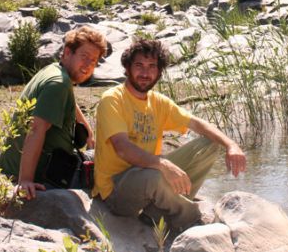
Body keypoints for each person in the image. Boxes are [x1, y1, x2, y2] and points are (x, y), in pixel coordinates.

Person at [93, 39, 247, 229]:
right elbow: (123, 148)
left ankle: (159, 212)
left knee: (209, 144)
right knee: (154, 176)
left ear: (159, 72)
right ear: (127, 68)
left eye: (152, 67)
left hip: (148, 173)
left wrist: (231, 145)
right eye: (139, 65)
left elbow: (197, 124)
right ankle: (191, 217)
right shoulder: (112, 99)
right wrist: (163, 164)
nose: (145, 73)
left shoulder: (158, 102)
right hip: (117, 190)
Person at [0, 26, 107, 199]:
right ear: (67, 53)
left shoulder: (55, 72)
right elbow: (36, 129)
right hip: (48, 175)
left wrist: (89, 132)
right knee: (114, 160)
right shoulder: (58, 84)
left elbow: (69, 99)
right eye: (84, 56)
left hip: (17, 165)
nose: (87, 65)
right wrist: (25, 181)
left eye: (93, 61)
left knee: (98, 154)